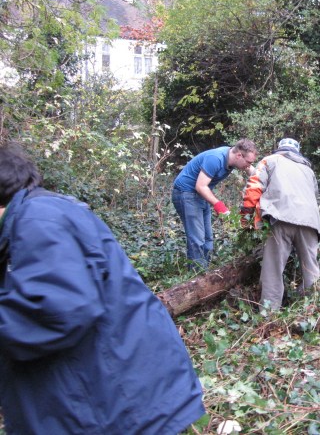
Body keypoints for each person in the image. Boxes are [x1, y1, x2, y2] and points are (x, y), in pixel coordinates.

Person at [0, 144, 205, 435]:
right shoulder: (34, 219)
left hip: (120, 405)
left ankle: (200, 266)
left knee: (201, 238)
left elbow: (58, 311)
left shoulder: (39, 218)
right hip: (110, 399)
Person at [240, 138, 320, 310]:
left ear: (279, 149)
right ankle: (315, 309)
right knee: (310, 269)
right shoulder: (309, 170)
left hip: (280, 219)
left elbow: (254, 187)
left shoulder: (270, 161)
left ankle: (269, 313)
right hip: (310, 222)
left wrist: (245, 217)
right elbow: (314, 196)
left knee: (273, 269)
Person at [172, 139, 257, 270]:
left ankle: (204, 272)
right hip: (186, 194)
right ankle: (196, 276)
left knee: (208, 239)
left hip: (200, 195)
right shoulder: (215, 159)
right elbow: (200, 186)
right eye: (248, 162)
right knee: (197, 239)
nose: (249, 166)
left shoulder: (233, 157)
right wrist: (220, 206)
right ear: (239, 155)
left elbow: (253, 172)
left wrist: (264, 179)